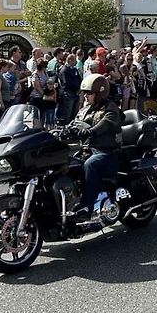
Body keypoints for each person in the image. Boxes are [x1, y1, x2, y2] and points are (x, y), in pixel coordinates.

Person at [72, 73, 123, 220]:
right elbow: (75, 122)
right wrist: (61, 130)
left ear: (100, 93)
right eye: (85, 93)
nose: (86, 96)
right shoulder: (87, 108)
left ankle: (86, 206)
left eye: (89, 93)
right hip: (89, 150)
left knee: (90, 165)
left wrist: (90, 131)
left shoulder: (111, 108)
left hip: (108, 153)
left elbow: (105, 123)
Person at [58, 53, 81, 123]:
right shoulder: (64, 70)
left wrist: (79, 89)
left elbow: (79, 79)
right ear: (70, 60)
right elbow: (66, 83)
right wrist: (76, 88)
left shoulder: (74, 69)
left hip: (76, 94)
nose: (76, 62)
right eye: (74, 60)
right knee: (67, 113)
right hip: (68, 94)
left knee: (74, 112)